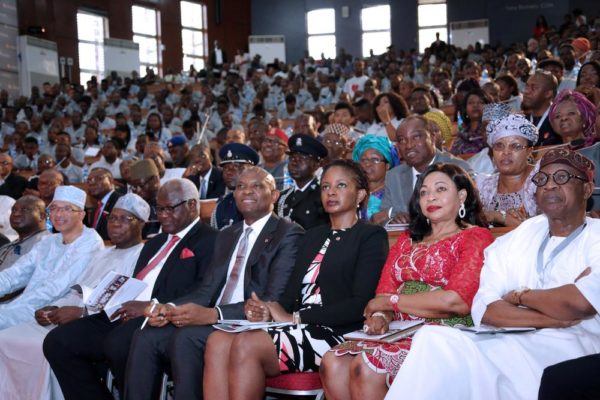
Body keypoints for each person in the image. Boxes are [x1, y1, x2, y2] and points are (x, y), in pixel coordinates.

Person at [386, 148, 600, 400]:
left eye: (562, 178)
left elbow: (579, 303)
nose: (550, 186)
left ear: (587, 190)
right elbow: (487, 309)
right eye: (542, 179)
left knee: (467, 366)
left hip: (574, 345)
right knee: (433, 338)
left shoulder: (596, 237)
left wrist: (519, 296)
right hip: (511, 338)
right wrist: (554, 314)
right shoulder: (521, 235)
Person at [202, 159, 389, 400]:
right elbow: (290, 297)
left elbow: (360, 304)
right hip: (296, 325)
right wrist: (267, 310)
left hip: (336, 332)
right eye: (325, 187)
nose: (331, 192)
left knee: (247, 344)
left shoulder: (370, 236)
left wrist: (296, 317)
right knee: (217, 340)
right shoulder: (312, 236)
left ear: (360, 194)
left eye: (341, 185)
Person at [125, 167, 304, 400]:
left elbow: (273, 300)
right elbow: (207, 289)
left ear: (275, 195)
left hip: (252, 323)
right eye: (240, 186)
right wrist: (170, 308)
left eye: (257, 186)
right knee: (145, 335)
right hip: (216, 319)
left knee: (186, 338)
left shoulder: (288, 233)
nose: (246, 191)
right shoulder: (228, 234)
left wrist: (214, 314)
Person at [321, 163, 494, 399]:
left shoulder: (475, 237)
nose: (430, 196)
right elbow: (383, 292)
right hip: (397, 329)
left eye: (441, 189)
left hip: (444, 331)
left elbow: (456, 301)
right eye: (423, 192)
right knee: (332, 361)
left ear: (462, 195)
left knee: (367, 366)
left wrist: (390, 303)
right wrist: (381, 318)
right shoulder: (407, 239)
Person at [44, 179, 219, 399]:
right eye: (159, 209)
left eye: (169, 209)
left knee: (118, 343)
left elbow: (205, 291)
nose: (162, 215)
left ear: (192, 205)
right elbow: (136, 282)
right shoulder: (155, 242)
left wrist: (152, 306)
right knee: (58, 341)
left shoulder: (211, 240)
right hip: (125, 310)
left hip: (163, 317)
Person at [0, 193, 147, 400]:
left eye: (125, 219)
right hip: (65, 314)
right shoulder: (104, 253)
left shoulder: (142, 255)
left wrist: (79, 312)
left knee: (42, 342)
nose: (115, 224)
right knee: (7, 339)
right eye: (112, 218)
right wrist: (55, 308)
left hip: (100, 322)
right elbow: (76, 291)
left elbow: (122, 300)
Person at [0, 186, 104, 330]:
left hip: (51, 314)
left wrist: (14, 308)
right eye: (54, 208)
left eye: (67, 208)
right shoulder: (49, 241)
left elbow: (57, 288)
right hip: (24, 305)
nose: (58, 214)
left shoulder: (90, 242)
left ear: (81, 214)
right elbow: (16, 273)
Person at [374, 115, 473, 225]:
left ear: (432, 137)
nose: (409, 145)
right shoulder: (394, 176)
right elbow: (381, 218)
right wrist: (393, 220)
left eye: (416, 137)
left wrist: (395, 213)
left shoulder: (458, 168)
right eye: (402, 140)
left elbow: (469, 212)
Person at [476, 114, 539, 226]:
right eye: (499, 146)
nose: (506, 152)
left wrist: (498, 216)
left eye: (515, 146)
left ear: (529, 151)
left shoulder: (541, 181)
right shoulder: (484, 186)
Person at [276, 134, 329, 230]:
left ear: (317, 164)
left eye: (303, 158)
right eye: (292, 158)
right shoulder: (283, 196)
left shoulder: (323, 196)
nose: (295, 162)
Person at [211, 143, 260, 230]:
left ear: (250, 170)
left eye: (236, 167)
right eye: (226, 168)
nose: (229, 172)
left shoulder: (259, 200)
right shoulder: (222, 204)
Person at [0, 195, 50, 272]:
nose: (16, 214)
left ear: (42, 216)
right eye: (14, 210)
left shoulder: (47, 244)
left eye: (24, 210)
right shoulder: (8, 246)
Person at [352, 135, 393, 221]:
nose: (368, 164)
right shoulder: (353, 191)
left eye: (375, 160)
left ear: (387, 165)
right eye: (364, 160)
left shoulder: (395, 193)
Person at [522, 71, 561, 146]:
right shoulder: (520, 120)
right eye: (527, 86)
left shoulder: (559, 119)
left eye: (534, 88)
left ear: (548, 94)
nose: (526, 91)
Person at [450, 88, 492, 155]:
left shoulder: (492, 130)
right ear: (465, 109)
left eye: (481, 102)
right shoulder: (462, 133)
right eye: (471, 103)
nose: (475, 105)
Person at [86, 168, 121, 240]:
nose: (92, 183)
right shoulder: (95, 209)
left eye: (98, 178)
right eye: (89, 180)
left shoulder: (120, 201)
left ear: (111, 181)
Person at [129, 159, 161, 237]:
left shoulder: (171, 202)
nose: (138, 191)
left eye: (141, 185)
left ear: (155, 179)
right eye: (135, 187)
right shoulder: (134, 207)